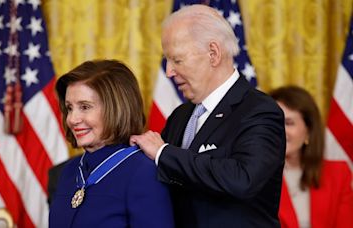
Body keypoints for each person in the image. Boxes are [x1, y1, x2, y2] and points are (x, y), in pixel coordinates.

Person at [130, 4, 286, 228]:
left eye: (177, 60)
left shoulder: (259, 111)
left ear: (213, 53)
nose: (169, 72)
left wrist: (164, 152)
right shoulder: (180, 116)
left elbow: (243, 179)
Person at [49, 59, 174, 228]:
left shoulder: (144, 173)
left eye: (85, 107)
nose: (72, 119)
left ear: (116, 108)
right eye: (69, 108)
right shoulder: (68, 172)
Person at [269, 85, 353, 228]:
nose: (279, 130)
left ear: (308, 131)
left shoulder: (339, 174)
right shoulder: (252, 175)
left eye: (289, 123)